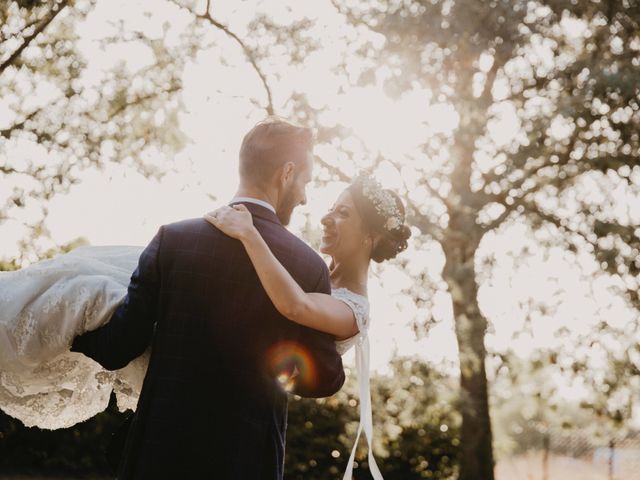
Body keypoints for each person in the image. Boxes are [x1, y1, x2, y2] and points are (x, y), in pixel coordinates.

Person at [0, 117, 346, 480]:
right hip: (248, 457)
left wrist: (65, 335)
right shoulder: (307, 266)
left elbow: (121, 345)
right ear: (286, 172)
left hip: (161, 450)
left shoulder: (174, 241)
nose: (305, 197)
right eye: (305, 183)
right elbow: (322, 379)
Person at [204, 172, 412, 480]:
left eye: (343, 213)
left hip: (254, 420)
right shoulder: (303, 269)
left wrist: (249, 234)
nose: (327, 218)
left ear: (373, 236)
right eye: (331, 208)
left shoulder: (353, 309)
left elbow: (295, 306)